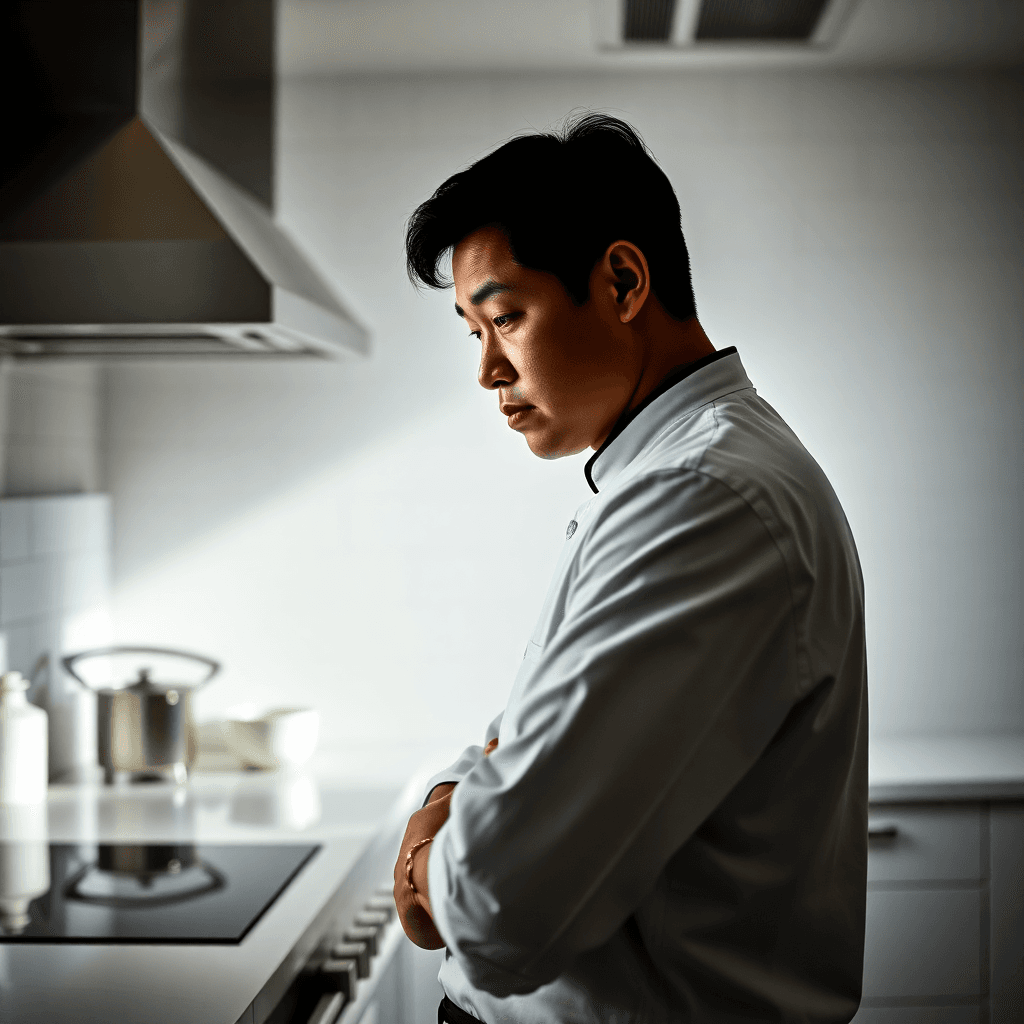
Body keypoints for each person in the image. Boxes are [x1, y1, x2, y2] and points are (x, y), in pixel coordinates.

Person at [394, 113, 868, 1024]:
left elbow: (497, 907)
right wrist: (460, 796)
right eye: (473, 331)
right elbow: (514, 749)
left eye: (505, 317)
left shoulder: (699, 496)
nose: (488, 370)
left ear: (621, 281)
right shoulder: (676, 474)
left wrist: (427, 854)